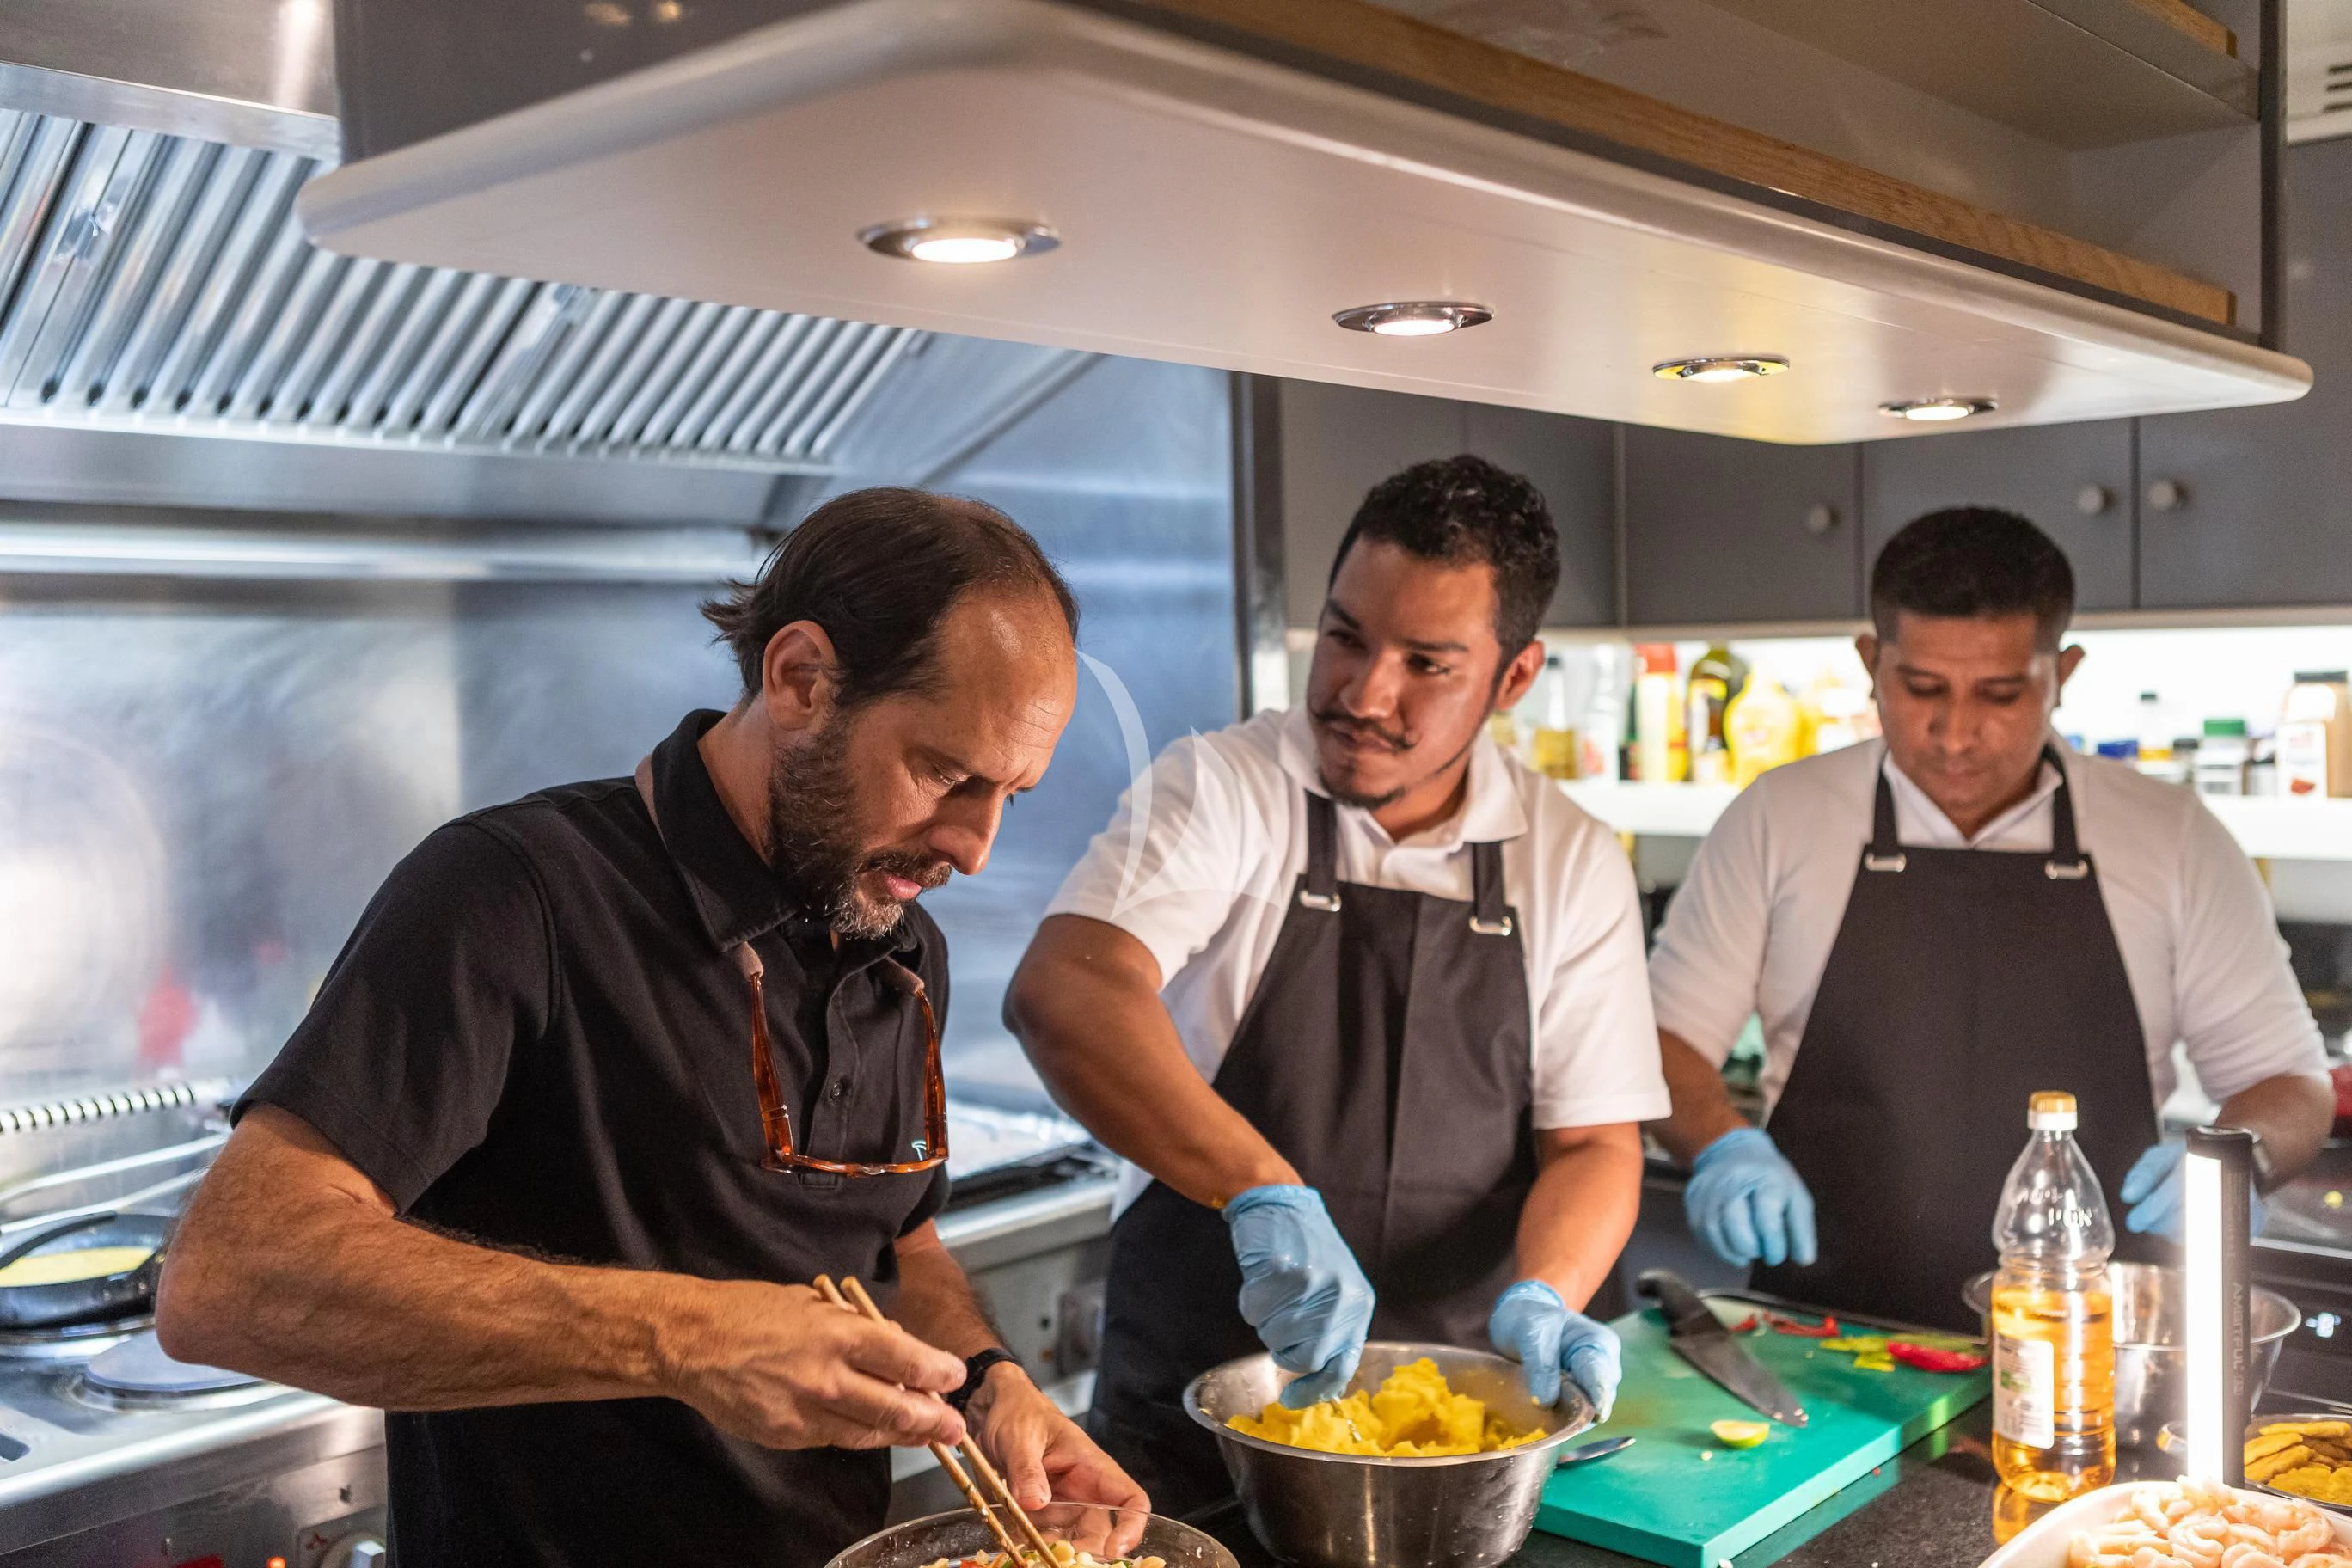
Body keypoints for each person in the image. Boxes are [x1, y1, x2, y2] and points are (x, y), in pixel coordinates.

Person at [156, 488, 1145, 1568]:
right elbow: (226, 1281)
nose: (979, 846)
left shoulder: (897, 943)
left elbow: (895, 1246)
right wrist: (688, 1337)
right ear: (802, 679)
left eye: (1011, 794)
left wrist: (993, 1383)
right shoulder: (513, 895)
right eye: (948, 775)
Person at [1007, 456, 1667, 1511]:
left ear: (1515, 678)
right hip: (1198, 1438)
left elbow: (1593, 1145)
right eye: (1347, 634)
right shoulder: (1220, 787)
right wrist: (1262, 1191)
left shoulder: (1570, 856)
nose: (1364, 693)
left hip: (1457, 1455)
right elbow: (1066, 994)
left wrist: (1549, 1292)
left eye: (1427, 664)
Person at [1647, 506, 2332, 1332]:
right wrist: (1723, 1145)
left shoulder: (2172, 838)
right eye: (1921, 688)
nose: (1956, 734)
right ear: (1871, 663)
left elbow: (2290, 1085)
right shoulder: (1779, 819)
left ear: (2063, 673)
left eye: (2001, 695)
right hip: (1823, 1338)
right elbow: (1665, 1041)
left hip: (2089, 1349)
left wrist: (2237, 1160)